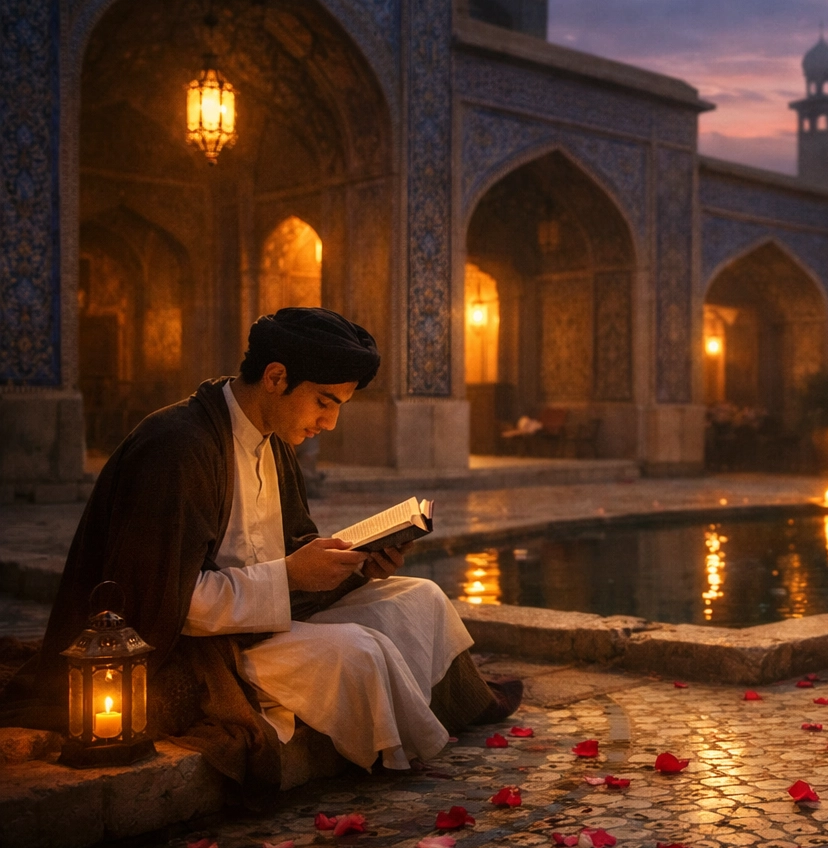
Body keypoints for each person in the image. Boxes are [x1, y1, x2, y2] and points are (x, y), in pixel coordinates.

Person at [1, 308, 520, 788]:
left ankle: (460, 706)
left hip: (265, 618)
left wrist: (356, 564)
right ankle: (400, 747)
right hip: (204, 644)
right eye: (324, 403)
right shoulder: (179, 447)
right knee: (359, 652)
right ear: (275, 377)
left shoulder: (274, 438)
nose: (329, 423)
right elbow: (162, 601)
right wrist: (290, 576)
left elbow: (289, 546)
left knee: (419, 598)